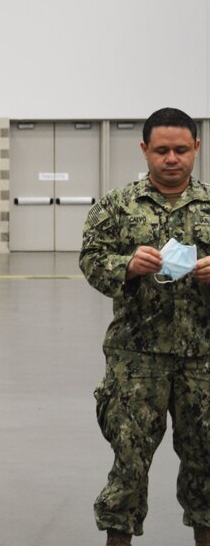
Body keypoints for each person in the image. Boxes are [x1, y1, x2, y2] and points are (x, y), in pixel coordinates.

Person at [79, 107, 210, 546]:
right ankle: (118, 539)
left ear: (196, 147)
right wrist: (126, 265)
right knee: (129, 463)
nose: (171, 158)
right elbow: (91, 261)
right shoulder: (117, 206)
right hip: (136, 359)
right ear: (144, 150)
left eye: (180, 149)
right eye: (161, 150)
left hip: (203, 358)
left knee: (207, 463)